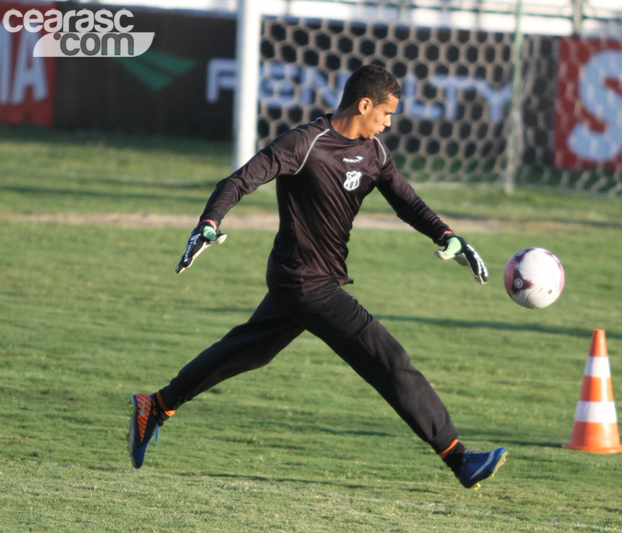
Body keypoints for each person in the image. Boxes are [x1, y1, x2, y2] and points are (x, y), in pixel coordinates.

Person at [127, 64, 506, 489]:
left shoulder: (374, 153)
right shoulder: (305, 143)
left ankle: (155, 405)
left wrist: (448, 236)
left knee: (247, 351)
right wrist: (208, 225)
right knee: (389, 360)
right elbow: (238, 182)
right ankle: (459, 459)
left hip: (313, 279)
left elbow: (407, 201)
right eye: (386, 114)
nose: (388, 124)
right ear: (364, 105)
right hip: (304, 282)